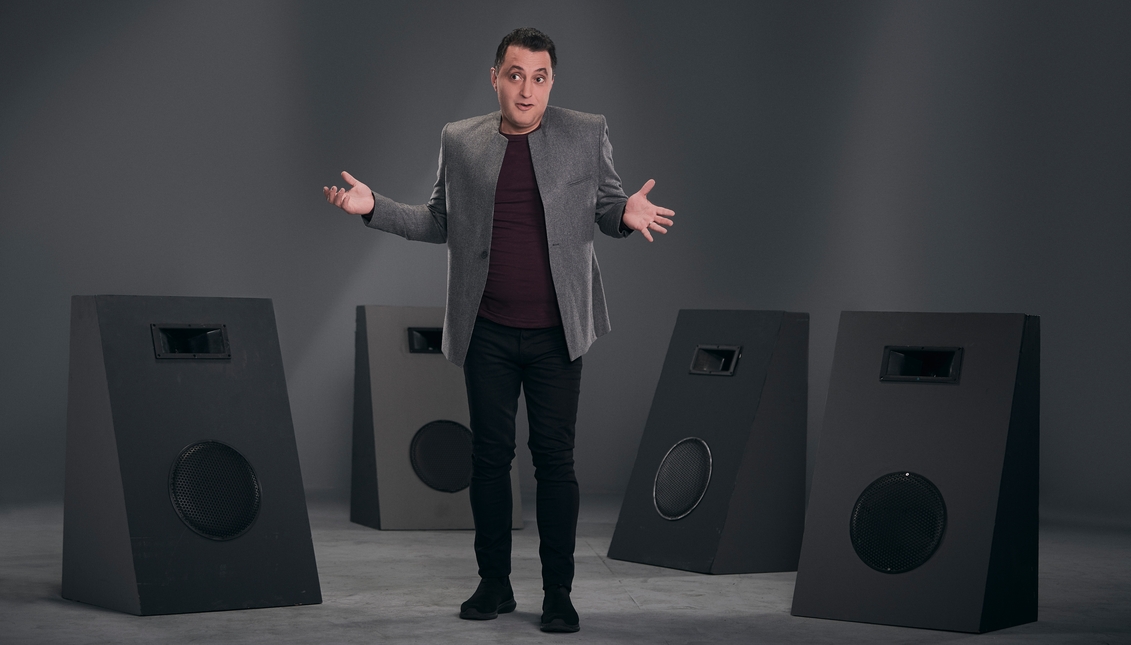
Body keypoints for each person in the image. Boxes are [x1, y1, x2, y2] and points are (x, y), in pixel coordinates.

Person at [324, 27, 673, 634]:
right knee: (489, 460)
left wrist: (624, 215)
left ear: (551, 82)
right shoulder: (460, 140)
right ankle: (494, 585)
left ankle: (559, 593)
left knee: (555, 463)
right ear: (495, 78)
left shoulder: (585, 132)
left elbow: (608, 204)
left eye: (539, 77)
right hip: (486, 328)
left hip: (558, 332)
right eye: (516, 75)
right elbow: (439, 222)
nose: (527, 89)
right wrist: (373, 208)